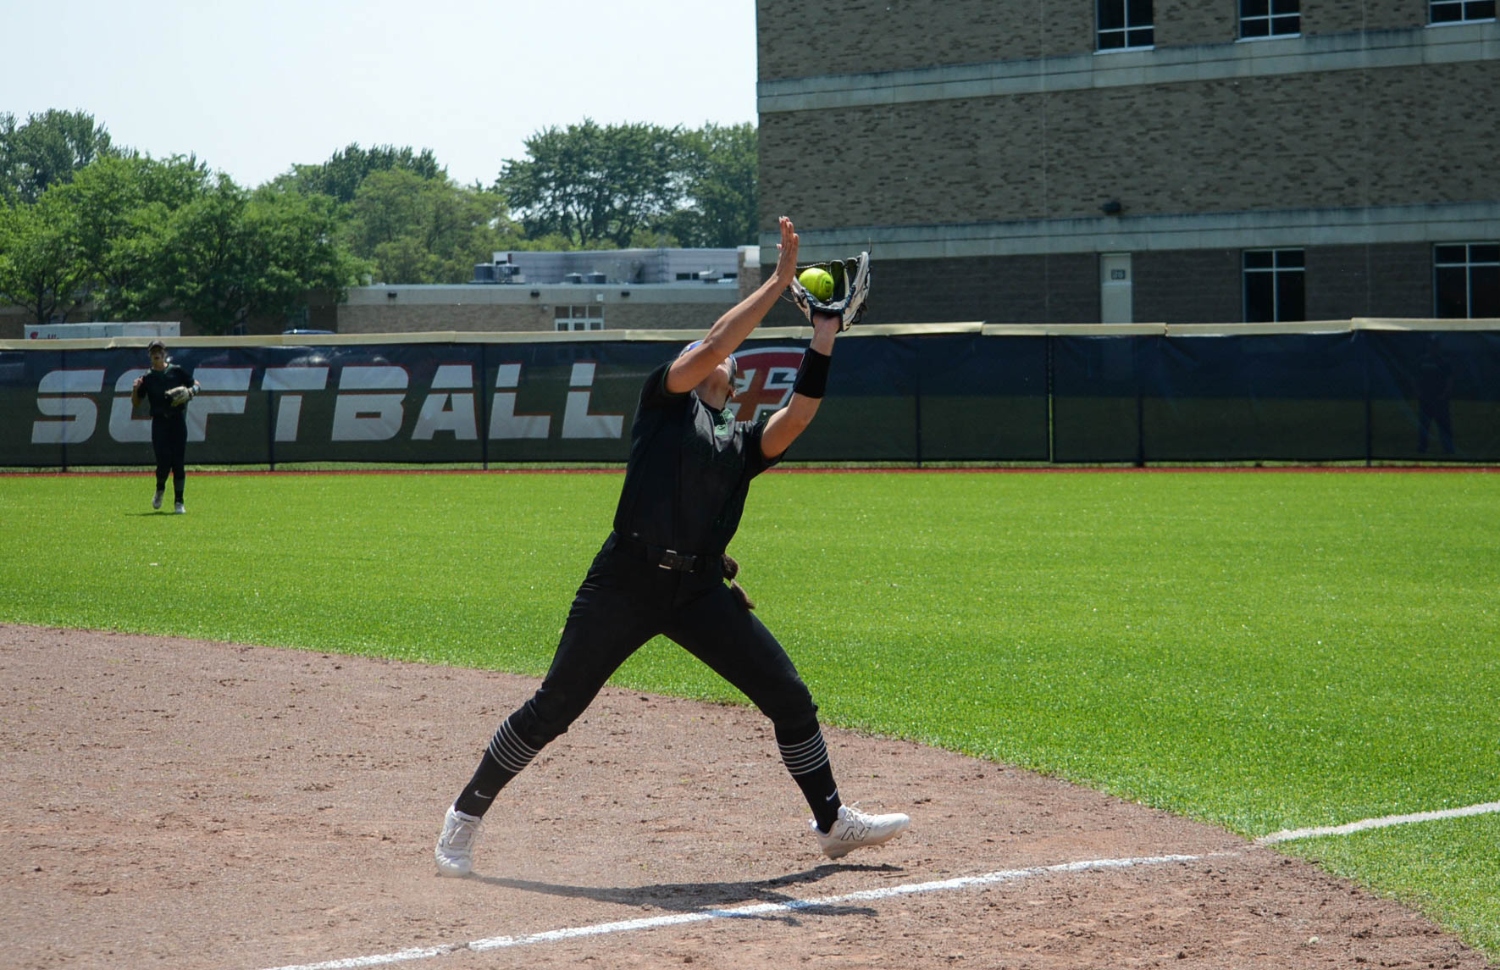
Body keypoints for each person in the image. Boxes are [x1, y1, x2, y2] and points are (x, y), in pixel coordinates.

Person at [434, 217, 909, 876]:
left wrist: (823, 336)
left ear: (735, 386)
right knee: (555, 707)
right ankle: (463, 818)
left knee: (789, 696)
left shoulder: (741, 442)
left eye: (722, 364)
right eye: (704, 354)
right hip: (625, 581)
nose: (713, 358)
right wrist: (779, 282)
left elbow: (798, 416)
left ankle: (831, 822)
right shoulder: (663, 403)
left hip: (697, 592)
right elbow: (715, 342)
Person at [130, 340, 199, 513]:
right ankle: (160, 489)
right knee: (163, 462)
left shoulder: (176, 371)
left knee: (178, 462)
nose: (157, 354)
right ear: (150, 355)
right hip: (160, 422)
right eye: (153, 351)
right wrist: (135, 389)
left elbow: (196, 384)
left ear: (164, 353)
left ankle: (179, 501)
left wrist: (191, 392)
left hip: (177, 420)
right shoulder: (147, 378)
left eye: (159, 351)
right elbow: (136, 403)